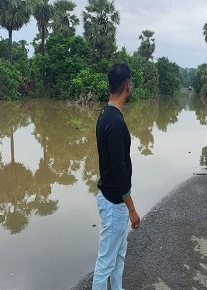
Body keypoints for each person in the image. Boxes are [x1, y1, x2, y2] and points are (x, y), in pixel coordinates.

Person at [92, 63, 141, 290]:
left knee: (119, 255)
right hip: (114, 203)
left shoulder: (106, 115)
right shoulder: (114, 121)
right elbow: (119, 170)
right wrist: (132, 209)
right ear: (127, 87)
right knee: (105, 262)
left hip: (113, 201)